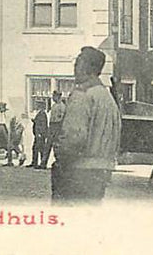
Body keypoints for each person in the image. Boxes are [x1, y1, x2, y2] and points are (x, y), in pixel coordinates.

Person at [51, 46, 121, 203]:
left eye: (78, 63)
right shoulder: (108, 99)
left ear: (89, 68)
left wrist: (59, 155)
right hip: (101, 173)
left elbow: (73, 138)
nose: (74, 67)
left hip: (78, 173)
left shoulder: (82, 95)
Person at [42, 90, 66, 168]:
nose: (52, 98)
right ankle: (43, 163)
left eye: (54, 96)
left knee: (56, 146)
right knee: (47, 145)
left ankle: (59, 163)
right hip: (52, 126)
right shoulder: (54, 106)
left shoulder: (62, 106)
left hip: (57, 127)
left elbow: (61, 118)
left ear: (58, 96)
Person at [29, 101, 48, 169]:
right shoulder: (39, 113)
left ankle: (40, 164)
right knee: (35, 148)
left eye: (38, 105)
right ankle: (35, 162)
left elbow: (43, 125)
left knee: (39, 149)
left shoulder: (42, 113)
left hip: (40, 134)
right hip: (37, 134)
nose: (36, 106)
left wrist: (40, 133)